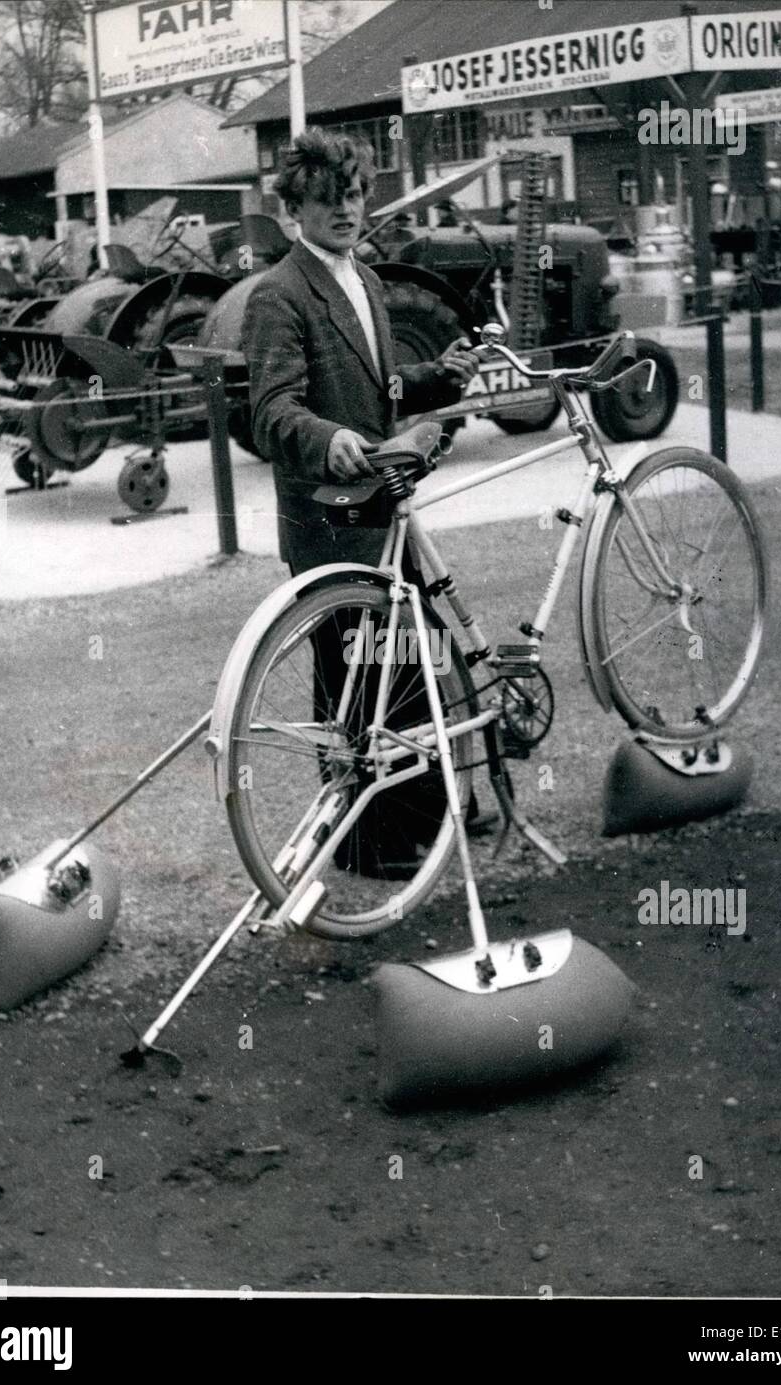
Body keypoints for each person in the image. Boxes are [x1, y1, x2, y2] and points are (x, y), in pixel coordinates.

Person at [243, 127, 493, 874]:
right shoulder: (279, 295)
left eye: (352, 196)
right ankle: (364, 841)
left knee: (415, 658)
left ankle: (430, 816)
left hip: (384, 503)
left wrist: (438, 375)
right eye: (326, 202)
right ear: (296, 210)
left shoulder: (368, 281)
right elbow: (271, 409)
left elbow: (379, 384)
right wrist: (327, 440)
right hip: (328, 516)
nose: (345, 211)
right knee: (355, 683)